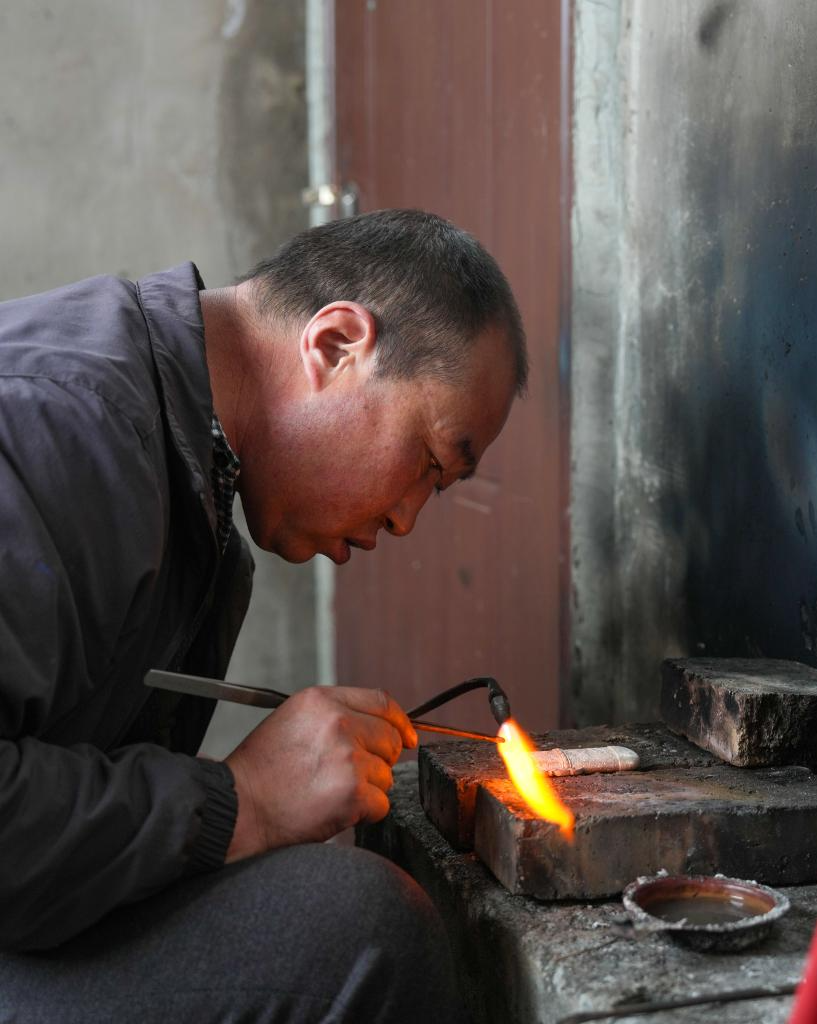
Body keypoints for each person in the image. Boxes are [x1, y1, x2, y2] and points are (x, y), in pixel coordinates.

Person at [0, 209, 527, 1022]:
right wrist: (241, 802)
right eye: (427, 461)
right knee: (355, 926)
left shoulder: (191, 491)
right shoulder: (65, 427)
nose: (406, 519)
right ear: (335, 345)